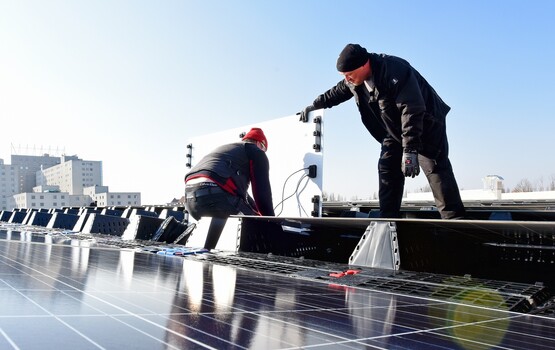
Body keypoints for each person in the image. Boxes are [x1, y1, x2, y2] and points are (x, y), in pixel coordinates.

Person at [299, 44, 465, 219]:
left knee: (436, 170)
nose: (346, 79)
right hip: (392, 130)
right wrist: (315, 105)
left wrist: (410, 150)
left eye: (349, 74)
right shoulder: (354, 80)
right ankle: (388, 221)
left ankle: (455, 221)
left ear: (364, 65)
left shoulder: (395, 70)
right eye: (343, 76)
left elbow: (412, 109)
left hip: (425, 125)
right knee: (387, 167)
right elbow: (336, 92)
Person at [184, 127, 275, 248]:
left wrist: (256, 211)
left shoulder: (231, 150)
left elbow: (243, 197)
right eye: (264, 148)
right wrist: (272, 222)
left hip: (191, 201)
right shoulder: (256, 151)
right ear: (259, 143)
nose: (264, 151)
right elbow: (262, 193)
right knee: (255, 227)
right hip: (217, 199)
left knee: (247, 218)